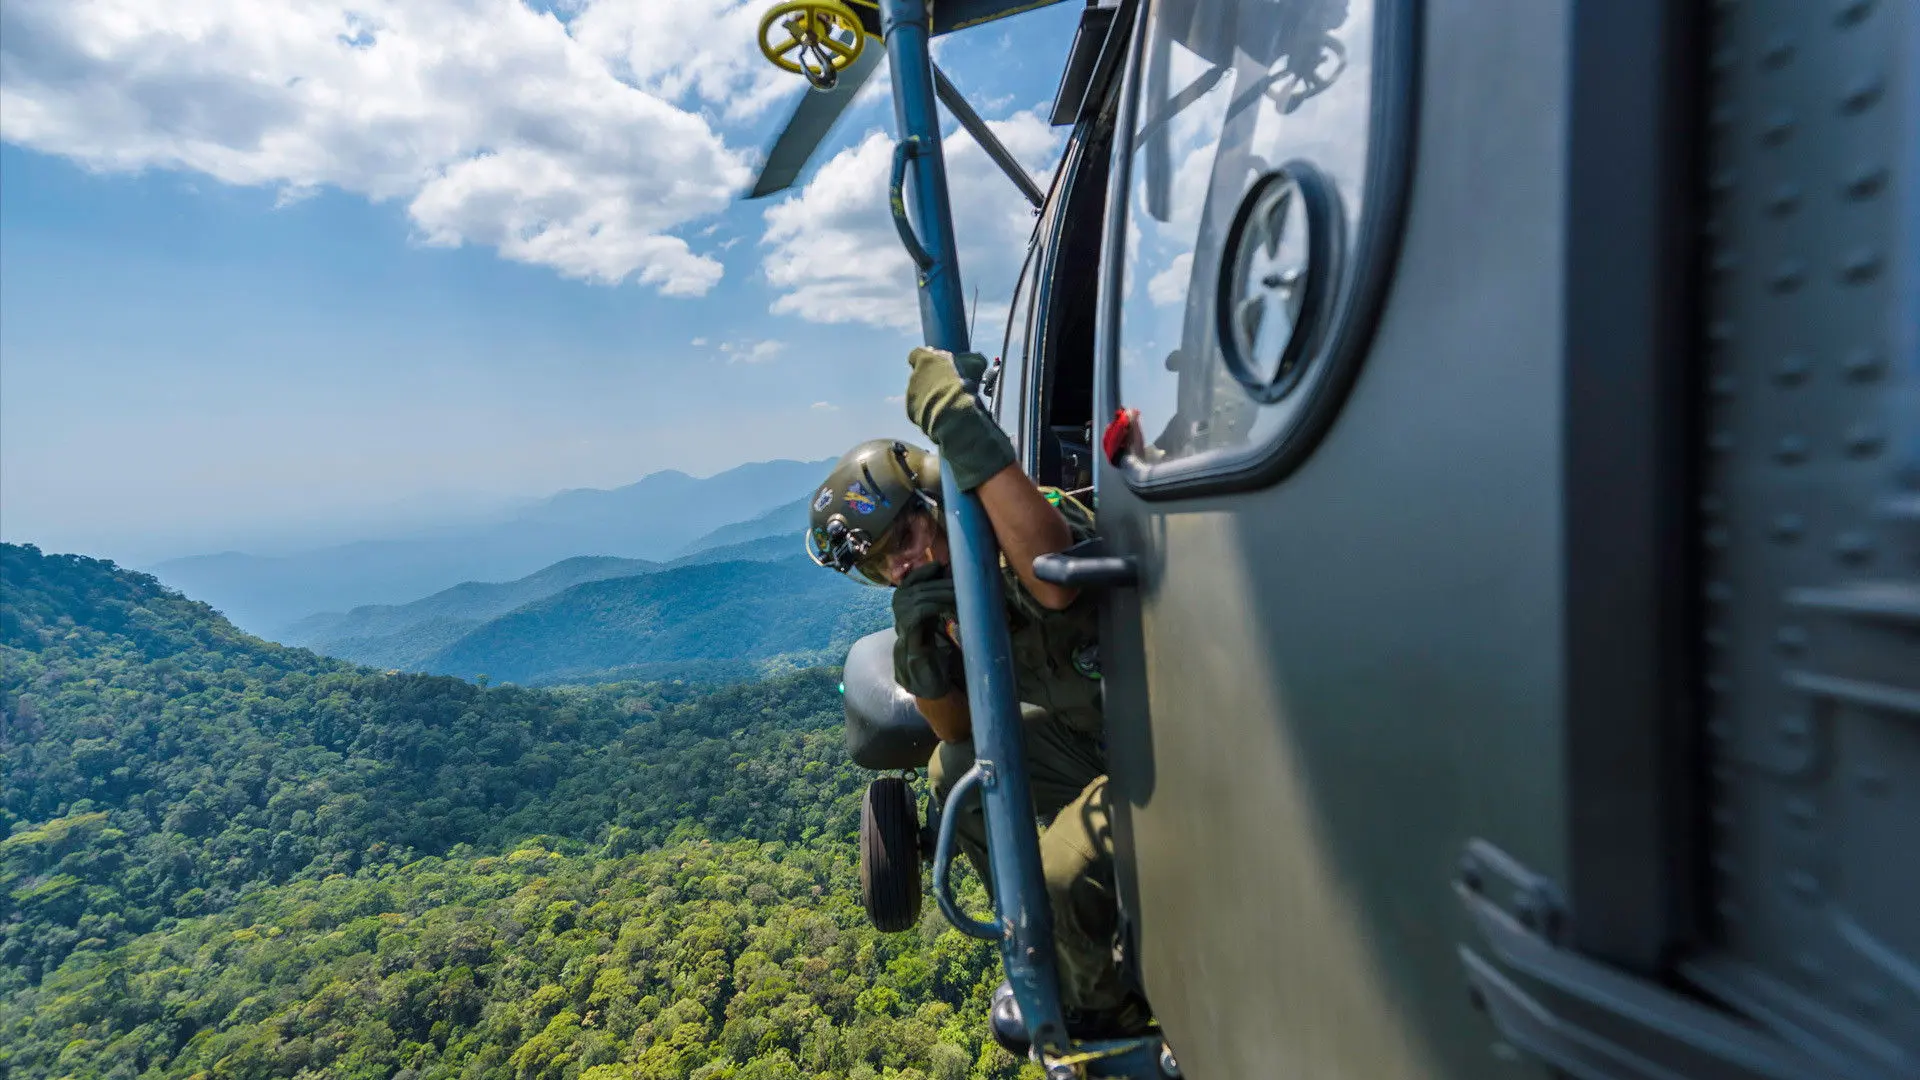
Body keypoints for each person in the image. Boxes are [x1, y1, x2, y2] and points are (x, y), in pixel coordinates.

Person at [805, 346, 1151, 1040]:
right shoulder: (935, 598)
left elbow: (1054, 578)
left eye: (902, 533)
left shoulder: (1019, 531)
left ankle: (1106, 1025)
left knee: (1058, 878)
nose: (901, 563)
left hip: (1163, 739)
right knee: (954, 775)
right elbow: (957, 729)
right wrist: (920, 648)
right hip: (1095, 740)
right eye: (880, 562)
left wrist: (961, 428)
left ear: (934, 496)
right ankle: (1041, 950)